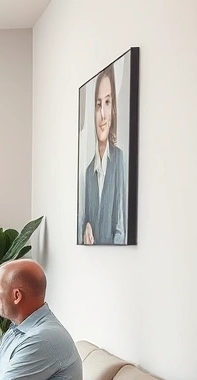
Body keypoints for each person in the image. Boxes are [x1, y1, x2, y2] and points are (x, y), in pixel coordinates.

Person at [79, 63, 127, 245]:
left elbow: (120, 230)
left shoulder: (119, 160)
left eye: (107, 102)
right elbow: (85, 221)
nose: (103, 113)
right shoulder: (89, 172)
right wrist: (86, 228)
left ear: (113, 109)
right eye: (98, 104)